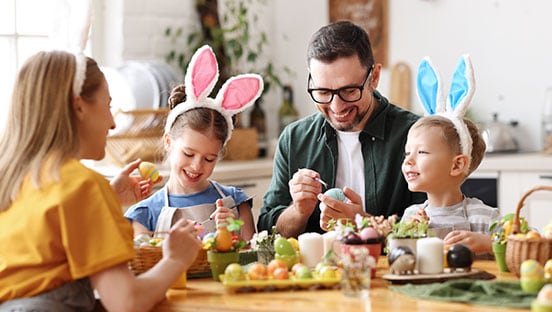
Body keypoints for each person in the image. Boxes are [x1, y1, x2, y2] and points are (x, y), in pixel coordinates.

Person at [0, 50, 201, 312]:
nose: (113, 123)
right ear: (79, 106)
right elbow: (127, 302)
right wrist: (176, 259)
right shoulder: (82, 185)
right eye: (108, 106)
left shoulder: (14, 177)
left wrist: (107, 197)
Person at [257, 20, 426, 238]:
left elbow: (433, 227)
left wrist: (363, 223)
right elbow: (266, 234)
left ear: (374, 77)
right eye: (323, 92)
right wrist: (298, 211)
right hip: (314, 272)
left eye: (349, 90)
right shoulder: (294, 139)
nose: (337, 107)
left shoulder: (415, 134)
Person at [124, 45, 263, 242]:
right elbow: (145, 267)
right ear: (168, 142)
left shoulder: (235, 203)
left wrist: (234, 234)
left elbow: (254, 263)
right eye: (188, 154)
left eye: (209, 158)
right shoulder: (145, 214)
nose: (197, 166)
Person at [400, 55, 500, 254]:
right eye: (407, 153)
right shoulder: (411, 216)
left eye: (421, 152)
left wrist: (489, 243)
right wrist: (408, 236)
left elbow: (525, 244)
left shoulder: (484, 217)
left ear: (457, 165)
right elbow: (398, 260)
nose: (408, 161)